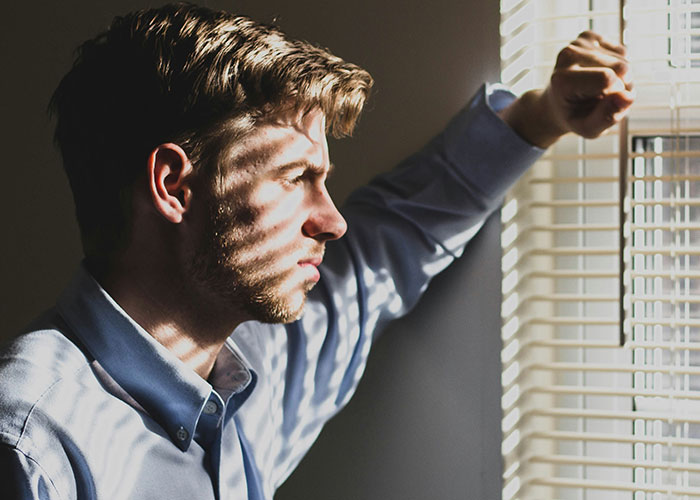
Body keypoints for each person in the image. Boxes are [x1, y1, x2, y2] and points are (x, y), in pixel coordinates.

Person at [0, 3, 633, 499]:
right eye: (296, 178)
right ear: (175, 185)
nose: (332, 220)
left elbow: (394, 241)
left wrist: (542, 115)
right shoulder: (33, 448)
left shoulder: (252, 368)